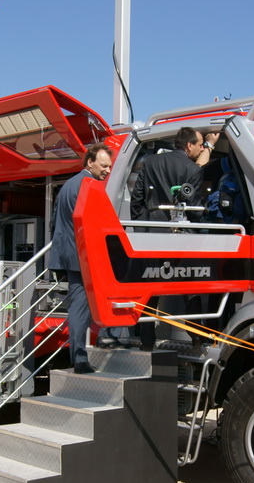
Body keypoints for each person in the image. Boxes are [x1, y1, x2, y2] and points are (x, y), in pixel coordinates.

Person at [130, 127, 219, 350]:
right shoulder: (192, 169)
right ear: (189, 145)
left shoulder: (151, 162)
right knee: (190, 285)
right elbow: (194, 209)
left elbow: (137, 198)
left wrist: (143, 226)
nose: (201, 149)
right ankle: (196, 335)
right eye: (199, 145)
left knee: (150, 288)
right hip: (180, 237)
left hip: (151, 236)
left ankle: (147, 340)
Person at [47, 143, 113, 373]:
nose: (107, 171)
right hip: (84, 256)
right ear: (90, 162)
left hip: (68, 254)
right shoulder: (89, 186)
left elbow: (55, 222)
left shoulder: (68, 185)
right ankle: (82, 357)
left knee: (79, 307)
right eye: (103, 166)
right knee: (82, 308)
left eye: (109, 167)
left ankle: (84, 353)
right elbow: (96, 223)